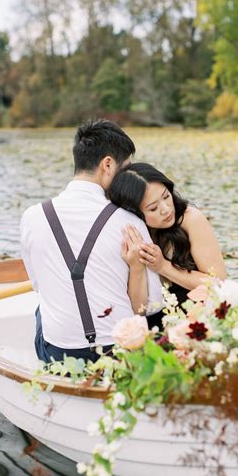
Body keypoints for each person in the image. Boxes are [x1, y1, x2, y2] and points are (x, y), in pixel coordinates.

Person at [20, 120, 163, 363]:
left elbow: (38, 285)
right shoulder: (131, 222)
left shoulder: (32, 217)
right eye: (125, 169)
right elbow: (150, 305)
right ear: (107, 164)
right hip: (119, 352)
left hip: (59, 355)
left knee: (42, 306)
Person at [108, 162, 226, 326]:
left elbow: (218, 283)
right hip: (155, 324)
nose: (166, 209)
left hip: (200, 319)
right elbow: (139, 311)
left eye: (166, 196)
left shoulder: (190, 219)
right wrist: (137, 266)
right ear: (134, 212)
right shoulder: (133, 235)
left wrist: (163, 267)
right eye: (153, 208)